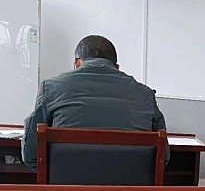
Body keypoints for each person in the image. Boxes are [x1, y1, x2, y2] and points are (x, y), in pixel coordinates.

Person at [22, 35, 169, 169]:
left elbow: (31, 154)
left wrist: (54, 176)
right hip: (131, 188)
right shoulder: (145, 94)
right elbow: (163, 157)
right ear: (117, 68)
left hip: (66, 187)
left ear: (76, 63)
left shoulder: (51, 88)